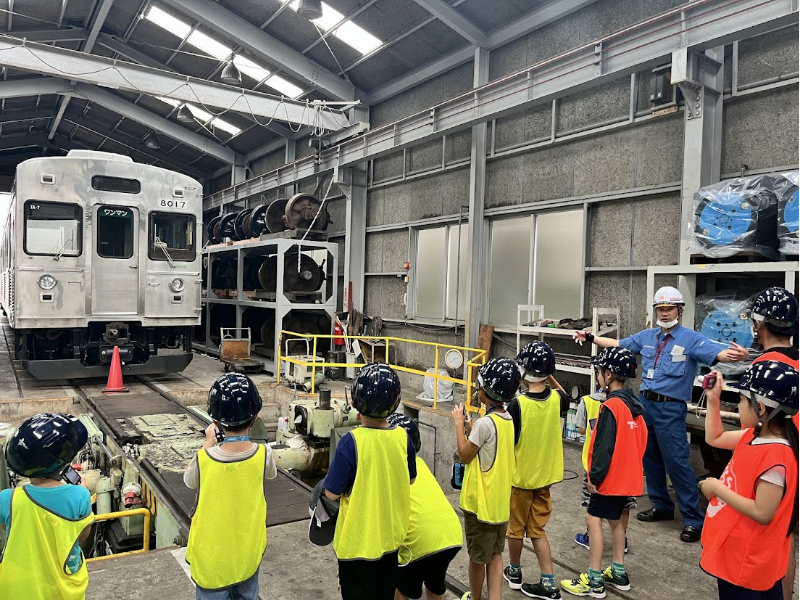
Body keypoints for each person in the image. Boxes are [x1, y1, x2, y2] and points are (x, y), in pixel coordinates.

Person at [573, 285, 750, 542]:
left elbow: (718, 353)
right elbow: (618, 345)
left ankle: (692, 518)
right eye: (661, 309)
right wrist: (590, 338)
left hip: (670, 408)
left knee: (677, 461)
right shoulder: (647, 337)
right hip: (645, 405)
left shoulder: (691, 339)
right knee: (650, 458)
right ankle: (662, 506)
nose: (665, 313)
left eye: (669, 308)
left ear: (679, 309)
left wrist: (738, 357)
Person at [699, 362, 799, 600]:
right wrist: (713, 400)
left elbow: (763, 512)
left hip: (748, 561)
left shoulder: (777, 455)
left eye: (742, 400)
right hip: (735, 554)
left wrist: (717, 489)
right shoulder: (751, 436)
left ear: (761, 408)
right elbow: (715, 437)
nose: (738, 405)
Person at [560, 348, 647, 598]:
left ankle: (594, 579)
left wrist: (594, 478)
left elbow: (603, 446)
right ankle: (618, 571)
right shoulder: (635, 406)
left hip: (609, 478)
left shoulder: (611, 407)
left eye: (599, 372)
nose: (598, 376)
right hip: (628, 477)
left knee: (593, 520)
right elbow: (641, 442)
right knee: (617, 521)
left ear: (608, 375)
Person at [324, 363, 416, 600]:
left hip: (357, 547)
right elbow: (411, 478)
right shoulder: (403, 438)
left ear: (354, 403)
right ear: (395, 403)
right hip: (390, 542)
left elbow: (331, 494)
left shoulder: (350, 443)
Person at [184, 373, 277, 600]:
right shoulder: (264, 454)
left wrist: (208, 441)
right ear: (254, 417)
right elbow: (271, 474)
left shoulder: (204, 459)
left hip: (212, 561)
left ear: (215, 421)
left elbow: (188, 480)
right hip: (247, 555)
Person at [0, 413, 94, 600]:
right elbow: (82, 535)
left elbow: (8, 530)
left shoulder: (7, 499)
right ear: (62, 462)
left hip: (18, 588)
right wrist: (81, 491)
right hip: (62, 588)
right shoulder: (80, 496)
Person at [503, 341, 569, 599]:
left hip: (521, 480)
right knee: (538, 531)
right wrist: (550, 374)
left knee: (515, 529)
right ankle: (549, 582)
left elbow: (508, 441)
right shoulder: (556, 399)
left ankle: (515, 571)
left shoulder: (517, 405)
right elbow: (563, 393)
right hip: (545, 480)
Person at [454, 357, 519, 600]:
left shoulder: (484, 424)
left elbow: (464, 455)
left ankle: (476, 597)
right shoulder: (507, 420)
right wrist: (473, 430)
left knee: (477, 558)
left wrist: (460, 425)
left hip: (480, 506)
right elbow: (489, 448)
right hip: (500, 505)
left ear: (487, 392)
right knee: (495, 554)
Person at [748, 288, 799, 600]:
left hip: (773, 458)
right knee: (788, 534)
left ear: (761, 324)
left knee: (769, 537)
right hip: (794, 459)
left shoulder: (764, 366)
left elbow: (750, 424)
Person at [387, 413, 462, 600]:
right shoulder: (420, 464)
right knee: (434, 584)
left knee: (401, 588)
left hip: (420, 544)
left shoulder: (390, 471)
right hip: (451, 536)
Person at [573, 390, 635, 554]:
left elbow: (580, 429)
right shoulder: (632, 403)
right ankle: (623, 540)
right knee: (623, 507)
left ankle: (589, 538)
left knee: (593, 512)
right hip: (626, 466)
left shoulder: (588, 401)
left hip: (595, 466)